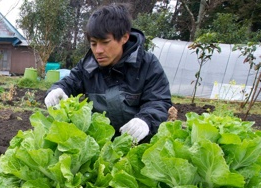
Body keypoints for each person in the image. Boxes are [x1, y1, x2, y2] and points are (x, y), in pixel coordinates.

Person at [44, 3, 172, 143]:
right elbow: (70, 82)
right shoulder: (88, 65)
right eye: (93, 44)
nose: (98, 50)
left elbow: (158, 100)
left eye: (105, 42)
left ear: (124, 38)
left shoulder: (148, 64)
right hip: (99, 144)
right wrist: (58, 89)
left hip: (138, 144)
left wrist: (145, 120)